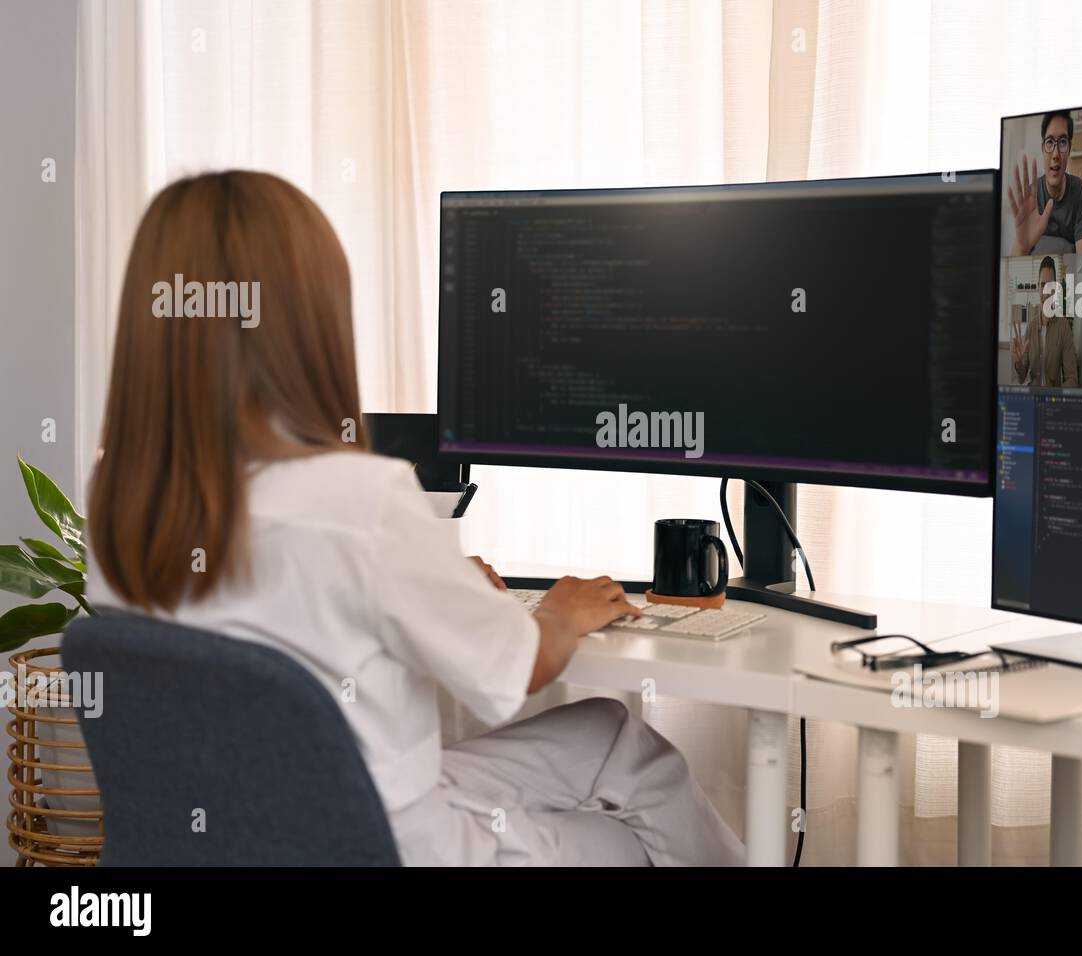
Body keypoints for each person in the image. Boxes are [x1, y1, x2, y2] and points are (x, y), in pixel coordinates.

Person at [85, 170, 746, 867]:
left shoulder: (120, 499)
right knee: (623, 835)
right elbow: (522, 665)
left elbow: (284, 611)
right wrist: (563, 612)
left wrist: (427, 581)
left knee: (613, 736)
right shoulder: (361, 499)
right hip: (383, 843)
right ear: (307, 320)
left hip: (256, 830)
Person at [1006, 111, 1082, 255]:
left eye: (1063, 142)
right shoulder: (1031, 196)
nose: (1055, 154)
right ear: (1042, 148)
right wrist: (1023, 246)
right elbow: (1014, 270)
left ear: (1070, 148)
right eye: (1050, 142)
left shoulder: (1077, 188)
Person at [1011, 256, 1079, 387]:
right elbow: (1021, 377)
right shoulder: (1031, 327)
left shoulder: (1063, 326)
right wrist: (1018, 363)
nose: (1046, 293)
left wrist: (1054, 395)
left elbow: (1072, 378)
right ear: (1038, 288)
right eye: (1043, 285)